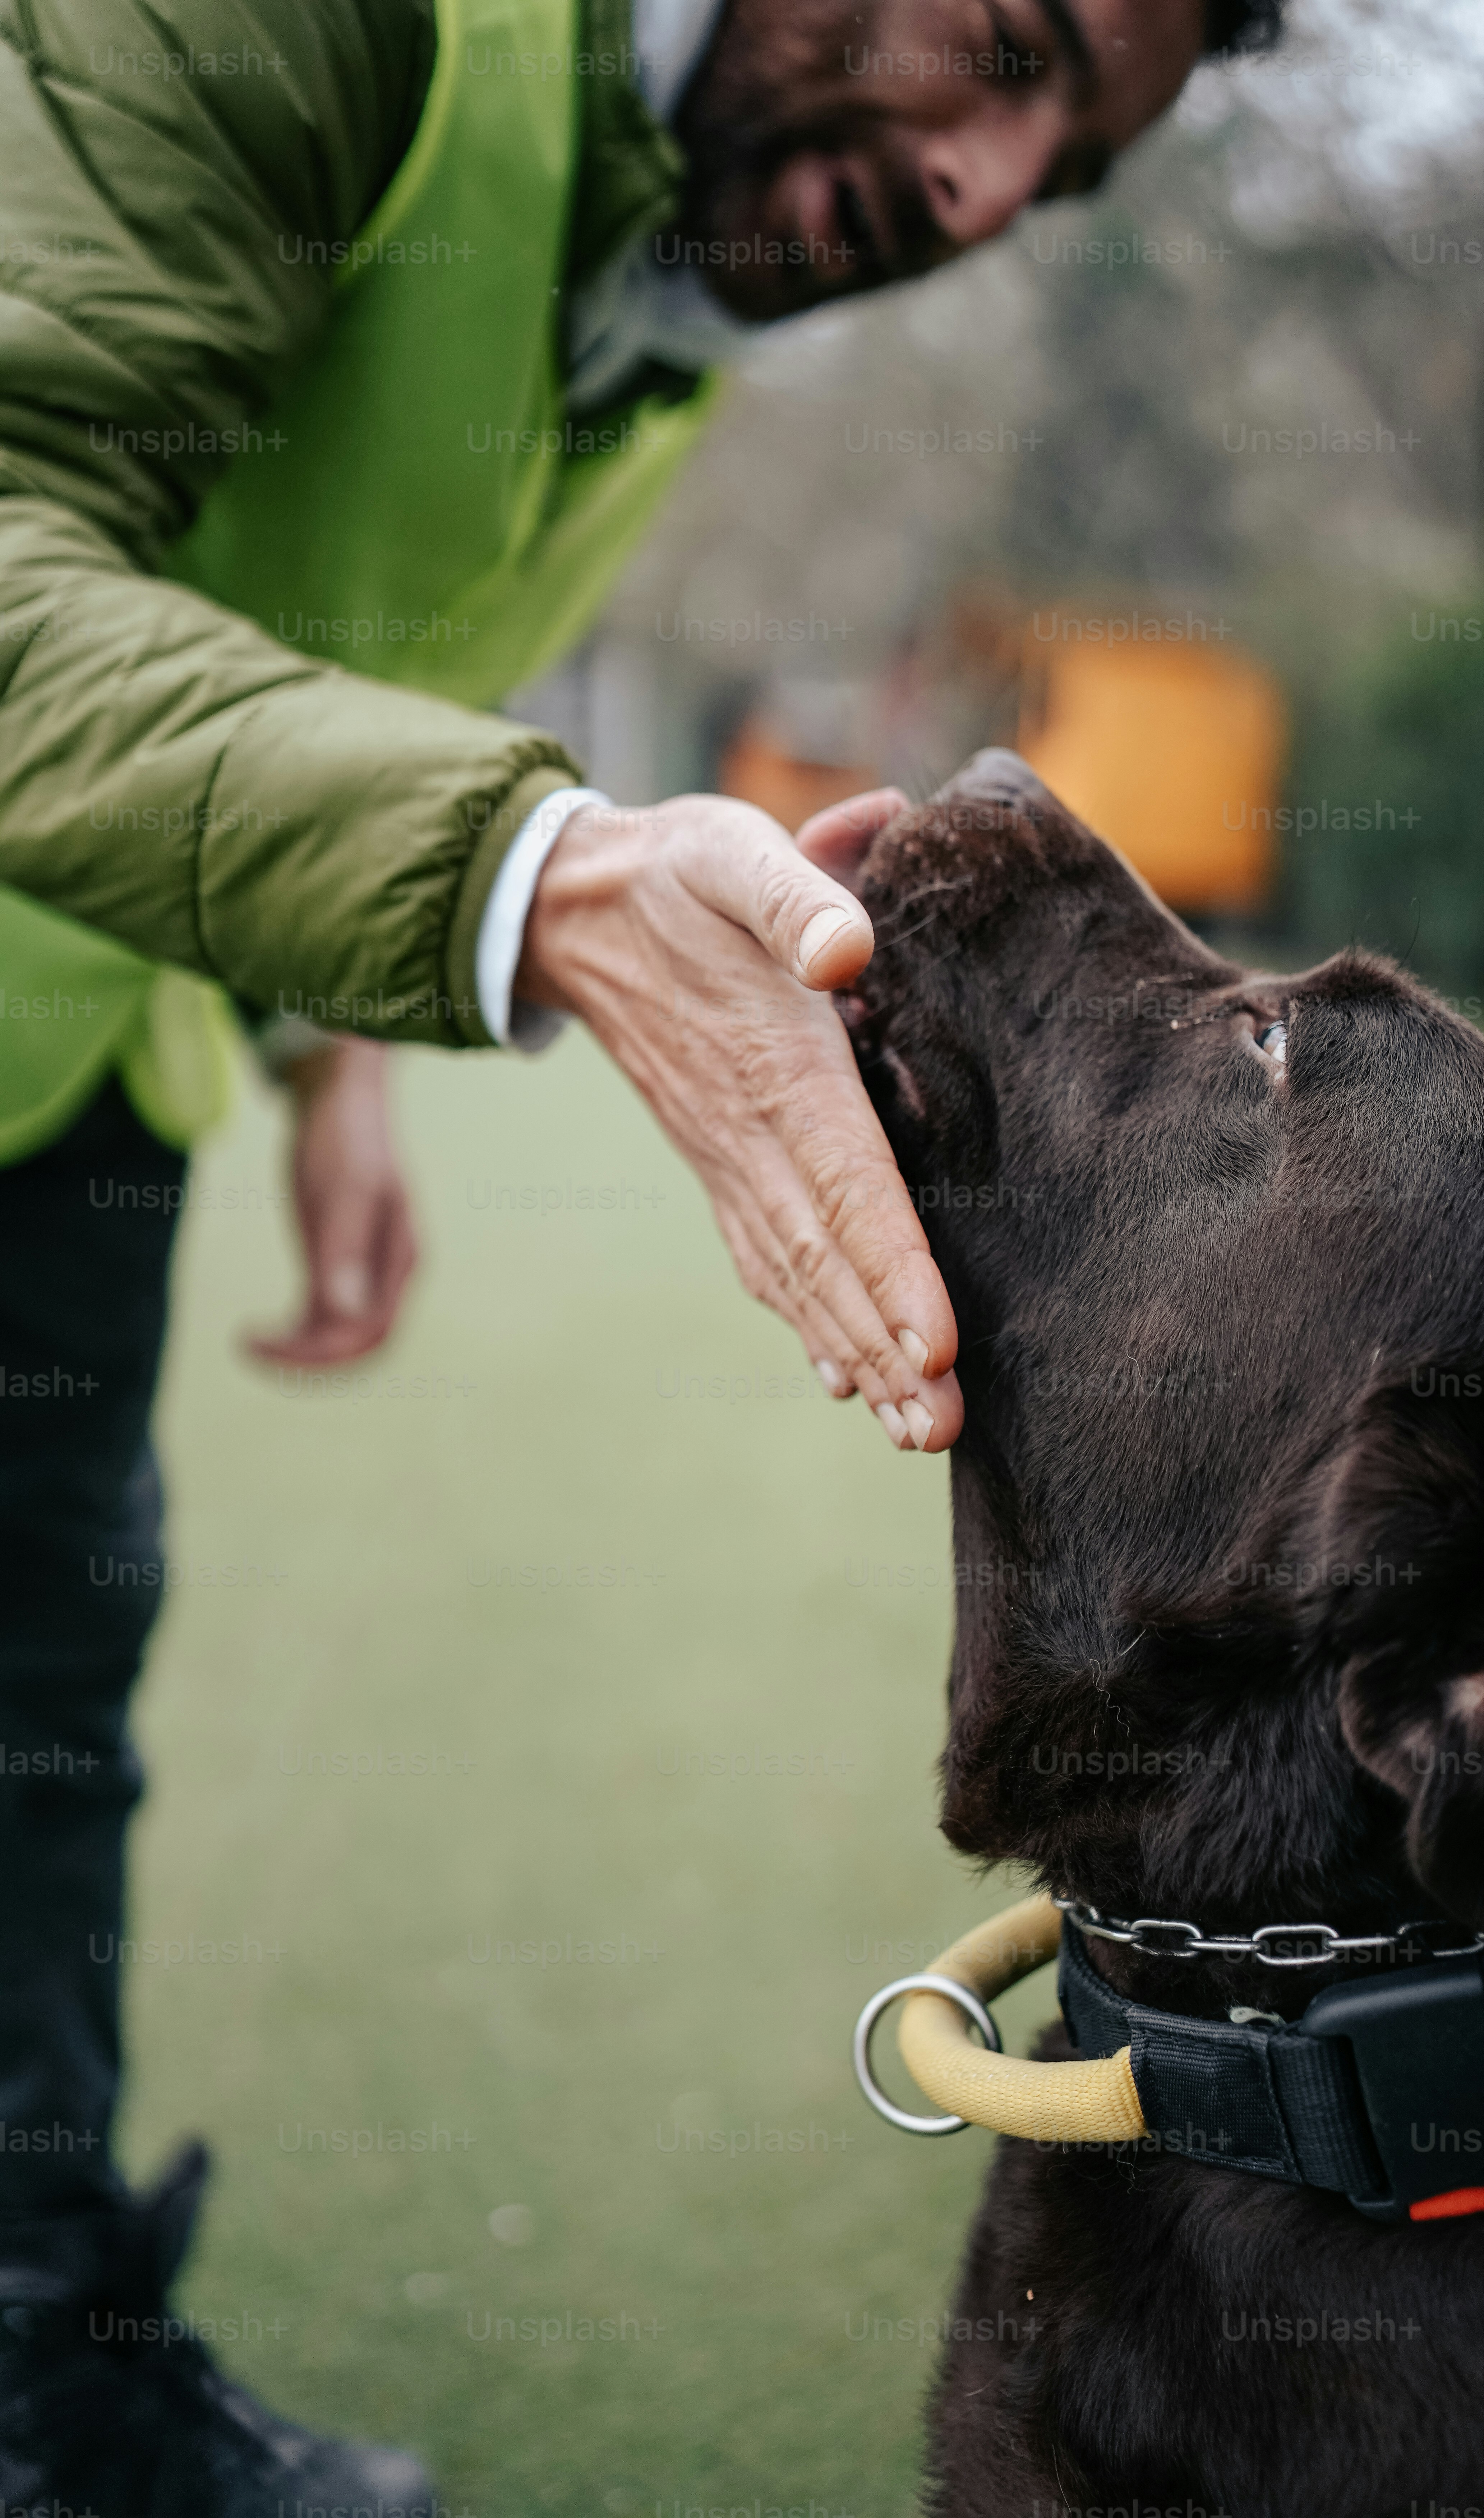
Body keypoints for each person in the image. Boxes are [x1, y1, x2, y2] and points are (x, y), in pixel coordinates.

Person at [0, 0, 1281, 2497]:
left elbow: (336, 618)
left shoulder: (679, 257)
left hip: (69, 1062)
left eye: (1062, 158)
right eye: (999, 42)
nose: (985, 187)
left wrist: (315, 1046)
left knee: (43, 1696)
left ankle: (33, 2369)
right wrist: (514, 882)